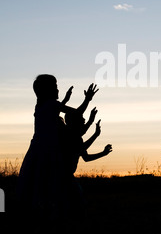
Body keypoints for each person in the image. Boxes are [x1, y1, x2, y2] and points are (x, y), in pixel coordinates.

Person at [17, 75, 98, 216]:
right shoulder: (52, 105)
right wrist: (87, 99)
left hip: (36, 150)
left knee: (36, 180)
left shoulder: (40, 106)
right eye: (55, 86)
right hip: (49, 151)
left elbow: (57, 110)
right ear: (48, 90)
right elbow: (76, 112)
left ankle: (36, 209)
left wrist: (66, 99)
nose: (57, 89)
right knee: (50, 180)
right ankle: (52, 209)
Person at [62, 109, 112, 214]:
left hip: (65, 176)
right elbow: (82, 151)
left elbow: (84, 155)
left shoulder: (72, 136)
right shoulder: (68, 136)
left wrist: (96, 136)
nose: (83, 120)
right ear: (74, 122)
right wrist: (95, 135)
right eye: (81, 119)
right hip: (62, 176)